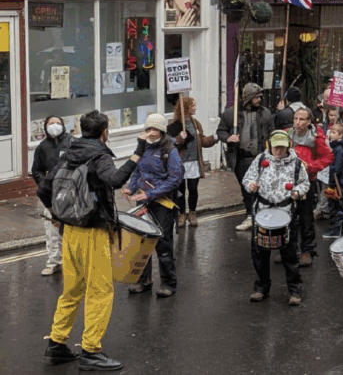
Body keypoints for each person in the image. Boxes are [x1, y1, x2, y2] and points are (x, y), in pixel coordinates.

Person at [38, 110, 146, 371]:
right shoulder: (98, 156)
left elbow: (43, 188)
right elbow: (116, 179)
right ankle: (91, 350)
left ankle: (57, 343)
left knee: (72, 290)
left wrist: (56, 214)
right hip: (93, 232)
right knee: (100, 291)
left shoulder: (69, 153)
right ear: (104, 132)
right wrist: (138, 152)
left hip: (70, 232)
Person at [242, 130, 309, 306]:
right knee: (260, 253)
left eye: (282, 147)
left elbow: (305, 183)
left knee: (290, 255)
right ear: (269, 145)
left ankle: (295, 291)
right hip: (263, 212)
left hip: (286, 212)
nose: (279, 150)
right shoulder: (259, 161)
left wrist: (297, 191)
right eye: (276, 147)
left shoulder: (297, 164)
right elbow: (247, 179)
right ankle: (261, 288)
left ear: (288, 146)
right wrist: (251, 185)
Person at [124, 114, 185, 297]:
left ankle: (168, 283)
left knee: (163, 244)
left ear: (161, 130)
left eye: (154, 129)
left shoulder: (170, 151)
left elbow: (175, 179)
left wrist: (150, 193)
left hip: (162, 204)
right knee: (142, 242)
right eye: (148, 129)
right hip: (144, 202)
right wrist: (130, 187)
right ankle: (143, 280)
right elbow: (137, 172)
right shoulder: (143, 149)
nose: (150, 133)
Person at [218, 83, 274, 232]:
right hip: (241, 158)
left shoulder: (266, 113)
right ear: (249, 97)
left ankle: (262, 216)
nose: (260, 99)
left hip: (260, 157)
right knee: (247, 189)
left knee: (262, 187)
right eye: (257, 96)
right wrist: (229, 138)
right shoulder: (231, 114)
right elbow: (220, 131)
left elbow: (271, 133)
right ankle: (250, 215)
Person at [288, 107, 334, 266]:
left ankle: (307, 250)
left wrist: (311, 167)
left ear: (309, 122)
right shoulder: (287, 134)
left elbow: (328, 157)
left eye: (302, 119)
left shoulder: (316, 137)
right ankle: (289, 249)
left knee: (305, 218)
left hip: (307, 182)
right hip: (288, 183)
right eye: (295, 119)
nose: (298, 122)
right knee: (289, 217)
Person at [32, 115, 73, 276]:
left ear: (63, 125)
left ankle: (72, 261)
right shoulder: (42, 147)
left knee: (72, 228)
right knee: (52, 230)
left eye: (57, 123)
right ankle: (54, 262)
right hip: (51, 195)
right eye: (51, 123)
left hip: (70, 192)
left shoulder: (72, 142)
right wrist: (45, 184)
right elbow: (36, 170)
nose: (54, 126)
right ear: (45, 126)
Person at [168, 96, 218, 227]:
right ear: (185, 108)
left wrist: (215, 137)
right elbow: (169, 145)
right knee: (180, 191)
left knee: (193, 189)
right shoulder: (174, 125)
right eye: (193, 105)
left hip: (194, 162)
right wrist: (180, 138)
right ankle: (181, 214)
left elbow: (203, 141)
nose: (195, 108)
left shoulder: (196, 123)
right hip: (180, 163)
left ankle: (192, 213)